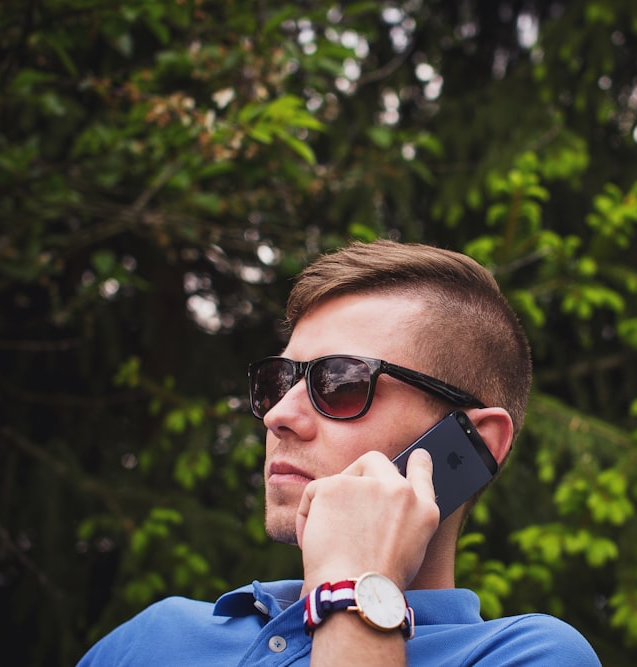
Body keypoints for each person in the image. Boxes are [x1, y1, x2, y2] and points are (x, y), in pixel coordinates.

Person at [78, 240, 600, 665]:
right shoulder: (153, 639)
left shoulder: (525, 656)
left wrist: (350, 590)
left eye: (341, 382)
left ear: (474, 442)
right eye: (276, 381)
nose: (278, 414)